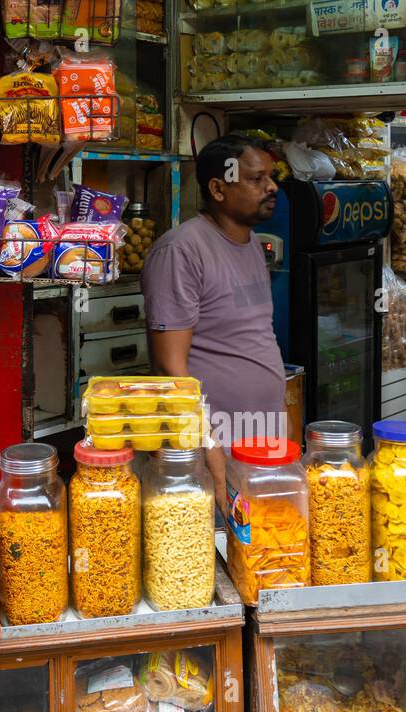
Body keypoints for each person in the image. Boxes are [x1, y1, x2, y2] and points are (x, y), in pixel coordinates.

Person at [142, 134, 286, 503]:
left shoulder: (252, 243)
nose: (271, 187)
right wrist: (209, 448)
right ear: (218, 189)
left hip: (260, 437)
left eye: (271, 177)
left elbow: (255, 336)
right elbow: (169, 366)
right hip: (214, 442)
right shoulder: (180, 251)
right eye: (256, 179)